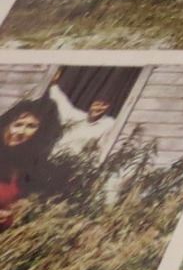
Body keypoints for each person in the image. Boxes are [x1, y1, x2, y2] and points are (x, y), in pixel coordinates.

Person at [0, 95, 64, 229]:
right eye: (17, 124)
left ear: (42, 133)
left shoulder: (31, 171)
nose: (20, 131)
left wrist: (14, 214)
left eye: (31, 126)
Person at [46, 70, 118, 160]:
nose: (99, 108)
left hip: (74, 163)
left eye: (104, 105)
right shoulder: (76, 116)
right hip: (53, 157)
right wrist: (54, 84)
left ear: (108, 107)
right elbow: (61, 102)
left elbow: (102, 150)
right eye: (96, 104)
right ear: (91, 105)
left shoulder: (108, 124)